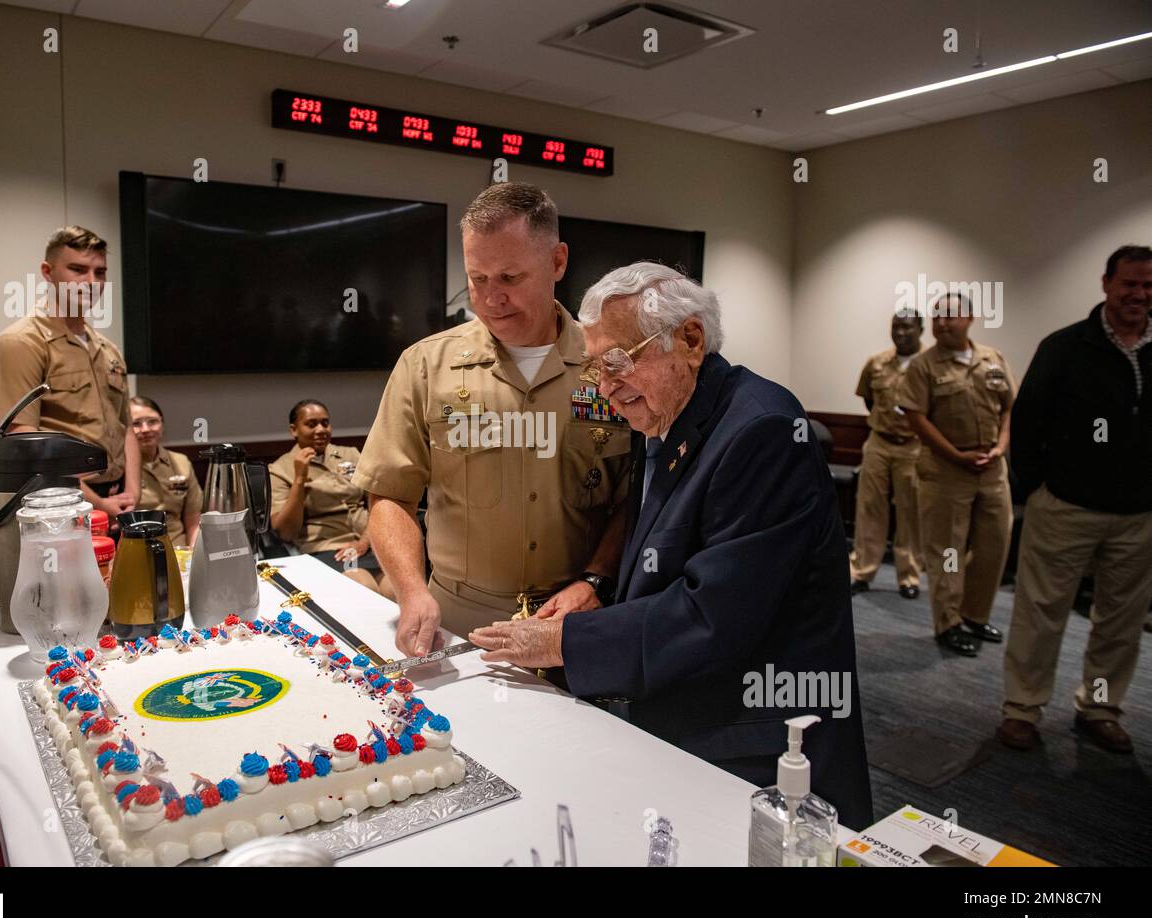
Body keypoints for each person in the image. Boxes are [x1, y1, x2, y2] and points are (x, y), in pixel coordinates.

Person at [468, 263, 873, 830]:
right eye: (594, 366)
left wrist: (565, 642)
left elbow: (713, 616)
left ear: (689, 339)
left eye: (616, 361)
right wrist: (600, 587)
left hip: (757, 744)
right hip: (682, 707)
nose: (604, 386)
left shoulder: (763, 430)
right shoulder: (664, 413)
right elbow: (659, 547)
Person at [354, 183, 633, 651]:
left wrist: (597, 579)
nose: (490, 298)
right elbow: (389, 496)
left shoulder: (606, 365)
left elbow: (635, 497)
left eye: (509, 277)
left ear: (558, 262)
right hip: (459, 622)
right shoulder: (426, 365)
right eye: (477, 278)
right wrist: (411, 590)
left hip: (574, 624)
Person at [998, 246, 1152, 753]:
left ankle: (1099, 708)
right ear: (1107, 283)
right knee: (1040, 614)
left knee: (1121, 623)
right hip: (1065, 507)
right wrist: (1040, 487)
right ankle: (1022, 709)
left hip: (1139, 516)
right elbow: (1027, 423)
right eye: (1130, 284)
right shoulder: (1065, 347)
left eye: (1149, 286)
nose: (1139, 294)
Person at [0, 226, 139, 525]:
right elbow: (24, 442)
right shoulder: (21, 344)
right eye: (78, 269)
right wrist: (99, 503)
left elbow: (126, 426)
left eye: (100, 272)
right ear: (48, 272)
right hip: (57, 503)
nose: (91, 282)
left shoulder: (107, 349)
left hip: (118, 502)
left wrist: (132, 492)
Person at [897, 292, 1015, 657]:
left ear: (970, 318)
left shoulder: (992, 359)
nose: (942, 322)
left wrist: (1000, 446)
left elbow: (1008, 407)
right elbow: (917, 418)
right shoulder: (923, 366)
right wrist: (956, 455)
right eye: (937, 316)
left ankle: (975, 615)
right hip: (946, 473)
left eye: (950, 315)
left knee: (993, 547)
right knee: (947, 551)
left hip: (992, 472)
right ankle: (948, 622)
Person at [269, 399, 389, 595]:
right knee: (366, 589)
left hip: (369, 540)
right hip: (328, 547)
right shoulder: (280, 469)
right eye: (311, 424)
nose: (321, 429)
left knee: (395, 591)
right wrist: (299, 478)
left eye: (325, 423)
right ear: (294, 430)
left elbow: (378, 500)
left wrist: (365, 541)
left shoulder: (350, 455)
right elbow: (286, 532)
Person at [850, 309, 925, 599]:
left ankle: (909, 576)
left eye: (907, 327)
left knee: (910, 510)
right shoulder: (877, 362)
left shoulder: (931, 365)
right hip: (879, 442)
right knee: (869, 507)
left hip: (915, 445)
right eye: (895, 327)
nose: (901, 333)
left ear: (920, 329)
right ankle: (862, 570)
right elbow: (870, 399)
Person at [130, 396, 202, 547]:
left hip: (177, 548)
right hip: (136, 549)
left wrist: (193, 556)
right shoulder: (119, 469)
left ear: (162, 424)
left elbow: (193, 518)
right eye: (136, 424)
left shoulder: (181, 462)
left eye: (152, 421)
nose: (146, 429)